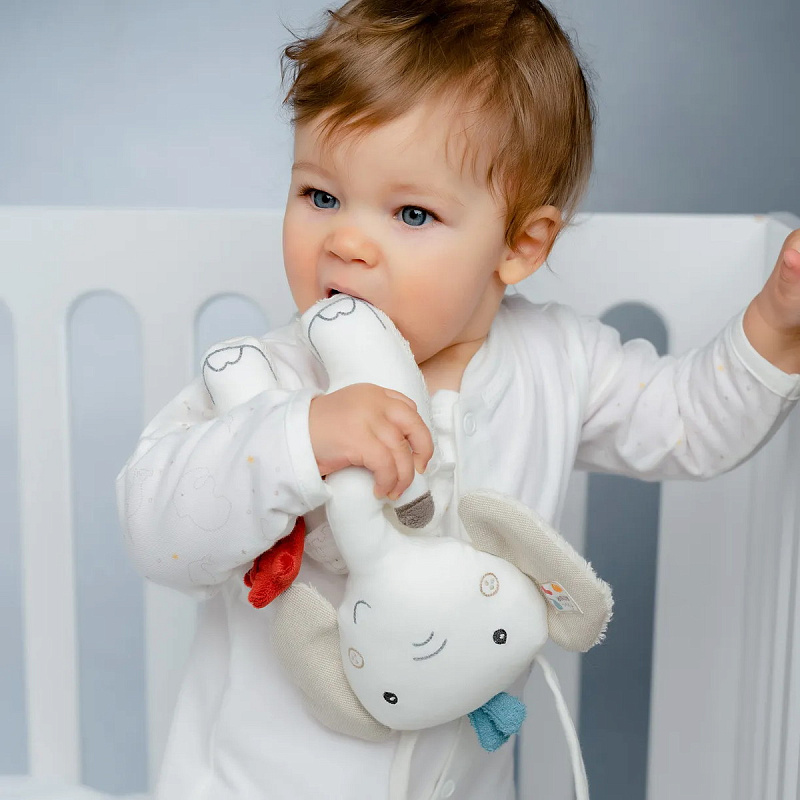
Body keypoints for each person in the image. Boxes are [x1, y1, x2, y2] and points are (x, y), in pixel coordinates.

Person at [116, 1, 800, 798]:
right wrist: (299, 440)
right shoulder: (269, 381)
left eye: (412, 213)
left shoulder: (558, 362)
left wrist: (775, 323)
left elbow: (688, 423)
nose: (346, 241)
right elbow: (152, 523)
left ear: (519, 244)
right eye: (321, 195)